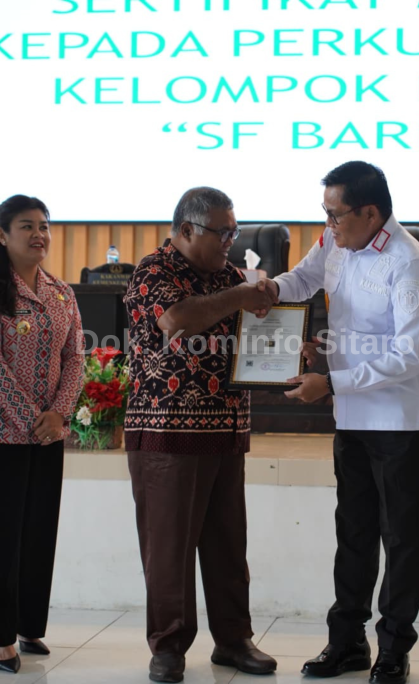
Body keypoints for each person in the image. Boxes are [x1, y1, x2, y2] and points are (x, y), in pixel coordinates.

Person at [266, 161, 419, 684]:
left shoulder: (409, 263)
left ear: (370, 212)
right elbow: (302, 279)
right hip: (352, 414)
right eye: (325, 213)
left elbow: (408, 356)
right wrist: (266, 292)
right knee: (354, 533)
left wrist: (332, 382)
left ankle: (394, 648)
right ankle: (347, 642)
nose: (328, 224)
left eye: (335, 214)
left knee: (402, 539)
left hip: (401, 422)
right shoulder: (337, 240)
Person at [123, 187, 278, 684]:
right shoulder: (154, 271)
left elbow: (259, 337)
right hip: (167, 434)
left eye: (235, 231)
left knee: (228, 546)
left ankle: (233, 640)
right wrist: (243, 295)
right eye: (223, 232)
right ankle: (168, 647)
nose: (231, 241)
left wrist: (288, 351)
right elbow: (178, 320)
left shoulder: (230, 276)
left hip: (226, 429)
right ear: (187, 230)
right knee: (169, 549)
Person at [0, 195, 84, 674]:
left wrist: (59, 414)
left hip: (47, 436)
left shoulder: (62, 293)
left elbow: (75, 357)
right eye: (27, 226)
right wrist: (34, 418)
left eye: (44, 226)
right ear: (2, 234)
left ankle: (28, 624)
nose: (39, 235)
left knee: (37, 533)